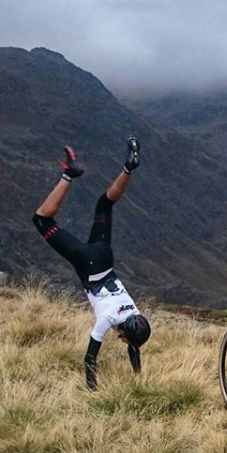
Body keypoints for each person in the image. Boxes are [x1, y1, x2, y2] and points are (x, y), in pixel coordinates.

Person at [32, 138, 151, 390]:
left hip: (105, 256)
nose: (122, 339)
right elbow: (90, 358)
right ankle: (69, 174)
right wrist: (92, 391)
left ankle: (128, 168)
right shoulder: (107, 319)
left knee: (105, 203)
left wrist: (138, 377)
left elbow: (134, 344)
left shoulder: (133, 311)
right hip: (88, 264)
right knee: (42, 220)